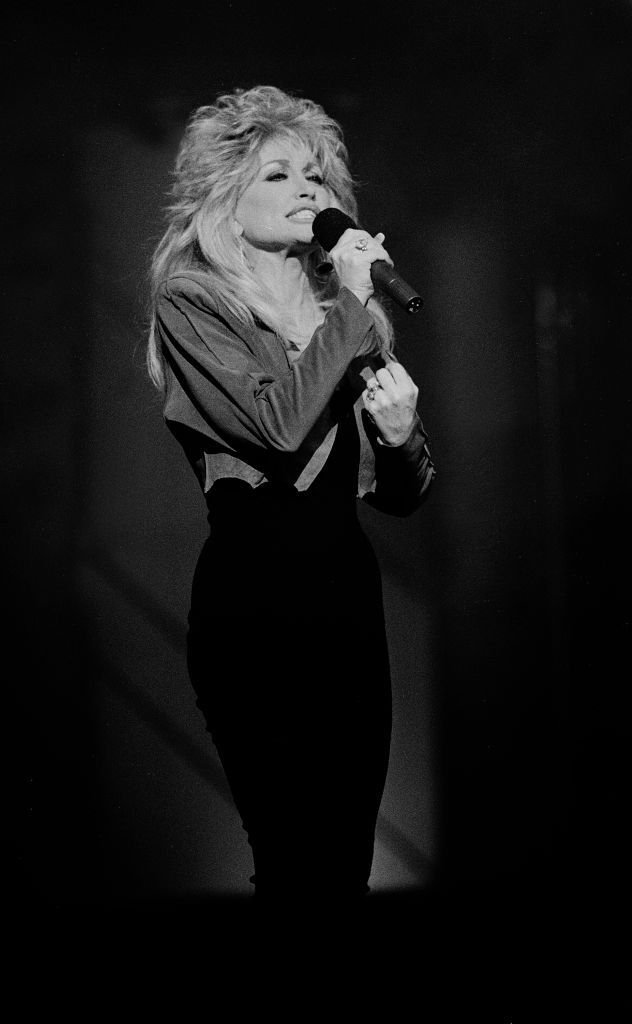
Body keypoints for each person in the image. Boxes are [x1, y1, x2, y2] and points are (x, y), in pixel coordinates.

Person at [146, 84, 435, 908]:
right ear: (224, 202)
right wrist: (349, 304)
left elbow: (401, 494)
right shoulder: (194, 303)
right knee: (295, 864)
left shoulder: (348, 316)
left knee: (344, 870)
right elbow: (275, 428)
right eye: (278, 174)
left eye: (315, 175)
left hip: (348, 607)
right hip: (254, 611)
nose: (309, 191)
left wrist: (401, 432)